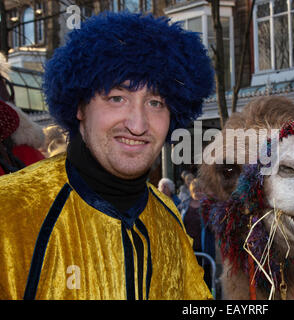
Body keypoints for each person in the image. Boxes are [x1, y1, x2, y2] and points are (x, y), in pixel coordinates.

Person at [0, 12, 214, 300]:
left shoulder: (169, 220)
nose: (138, 125)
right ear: (79, 106)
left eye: (155, 102)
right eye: (117, 98)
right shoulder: (11, 211)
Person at [179, 179, 216, 290]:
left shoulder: (209, 206)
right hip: (188, 249)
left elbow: (214, 227)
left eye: (200, 190)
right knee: (189, 282)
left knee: (205, 281)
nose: (198, 193)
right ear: (191, 191)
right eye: (195, 190)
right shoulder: (184, 205)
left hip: (205, 249)